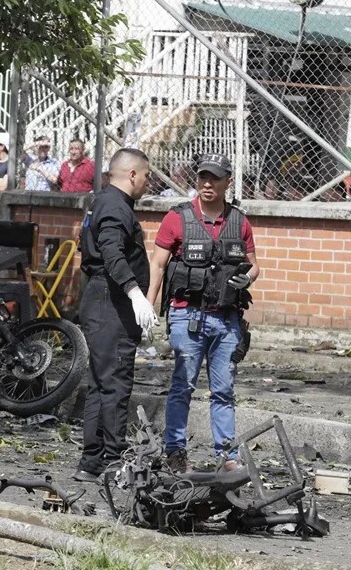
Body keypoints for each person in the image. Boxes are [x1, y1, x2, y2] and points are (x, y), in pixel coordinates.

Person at [146, 153, 260, 474]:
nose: (207, 183)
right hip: (187, 317)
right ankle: (176, 453)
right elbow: (157, 264)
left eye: (215, 178)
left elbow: (255, 265)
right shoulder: (177, 219)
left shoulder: (240, 221)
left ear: (228, 182)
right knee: (182, 386)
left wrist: (247, 277)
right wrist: (148, 307)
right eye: (202, 177)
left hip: (227, 320)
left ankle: (227, 457)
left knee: (224, 391)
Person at [73, 148, 155, 483]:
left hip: (102, 297)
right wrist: (135, 293)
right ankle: (111, 462)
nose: (148, 182)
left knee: (101, 383)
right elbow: (110, 251)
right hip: (111, 300)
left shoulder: (103, 202)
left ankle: (91, 463)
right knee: (116, 384)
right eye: (147, 175)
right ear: (133, 174)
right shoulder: (115, 205)